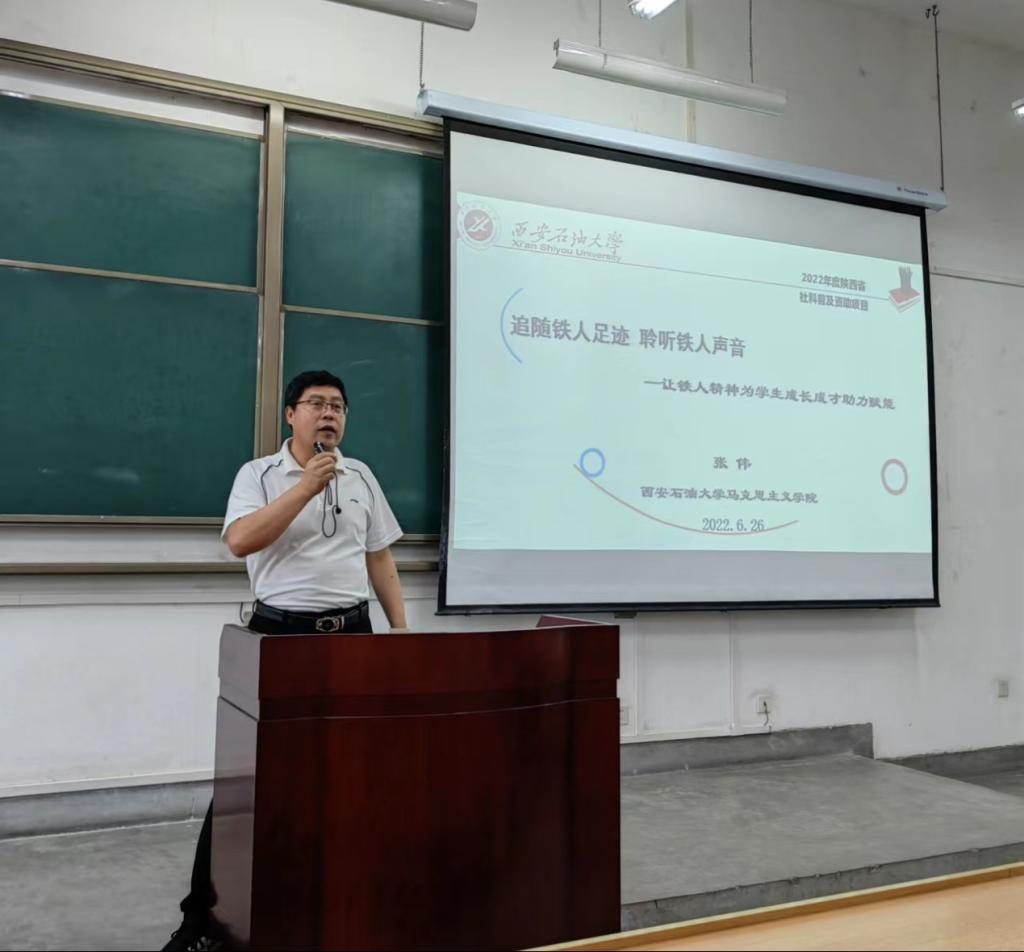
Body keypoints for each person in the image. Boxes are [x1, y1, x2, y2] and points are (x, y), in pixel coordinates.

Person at [164, 369, 409, 951]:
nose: (329, 414)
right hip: (279, 637)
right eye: (317, 404)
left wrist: (401, 631)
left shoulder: (361, 476)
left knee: (355, 774)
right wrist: (304, 488)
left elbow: (379, 559)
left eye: (338, 406)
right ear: (291, 415)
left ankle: (347, 901)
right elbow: (241, 541)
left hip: (352, 633)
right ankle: (200, 920)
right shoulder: (259, 475)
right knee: (247, 781)